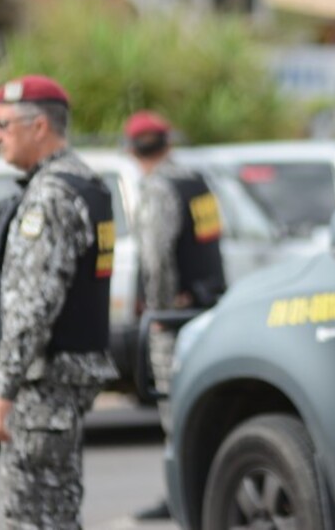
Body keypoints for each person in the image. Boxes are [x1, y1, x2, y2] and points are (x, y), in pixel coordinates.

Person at [0, 74, 119, 529]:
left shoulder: (51, 197)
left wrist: (3, 388)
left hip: (44, 386)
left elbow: (33, 305)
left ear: (38, 126)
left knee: (32, 517)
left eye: (3, 125)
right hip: (69, 381)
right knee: (58, 512)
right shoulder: (87, 183)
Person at [124, 109, 226, 521]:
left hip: (176, 315)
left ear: (133, 150)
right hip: (207, 306)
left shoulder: (159, 188)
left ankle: (181, 498)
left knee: (175, 408)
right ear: (167, 142)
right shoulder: (196, 182)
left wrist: (160, 308)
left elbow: (156, 257)